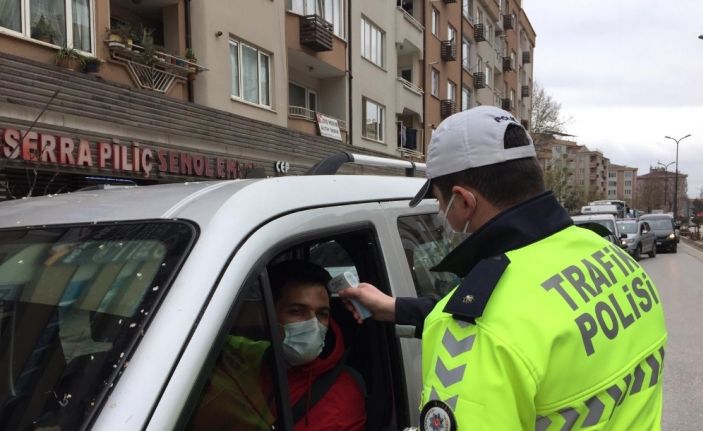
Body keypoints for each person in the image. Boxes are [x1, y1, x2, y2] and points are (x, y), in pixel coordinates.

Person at [340, 106, 667, 430]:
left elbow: (492, 329)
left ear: (464, 200)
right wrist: (396, 308)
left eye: (439, 202)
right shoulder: (612, 258)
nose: (441, 213)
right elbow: (531, 323)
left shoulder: (482, 330)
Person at [191, 260, 366, 431]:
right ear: (268, 315)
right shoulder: (257, 357)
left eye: (322, 314)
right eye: (297, 311)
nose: (313, 325)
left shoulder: (343, 398)